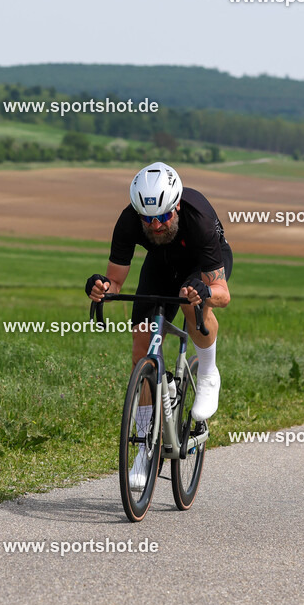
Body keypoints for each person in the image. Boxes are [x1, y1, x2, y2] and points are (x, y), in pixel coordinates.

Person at [85, 162, 232, 488]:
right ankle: (145, 450)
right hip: (161, 265)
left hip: (202, 266)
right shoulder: (129, 221)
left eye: (163, 216)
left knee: (192, 301)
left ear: (176, 206)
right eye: (148, 219)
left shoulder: (199, 220)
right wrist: (102, 288)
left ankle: (208, 373)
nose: (156, 225)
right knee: (142, 349)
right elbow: (114, 281)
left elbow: (223, 294)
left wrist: (205, 293)